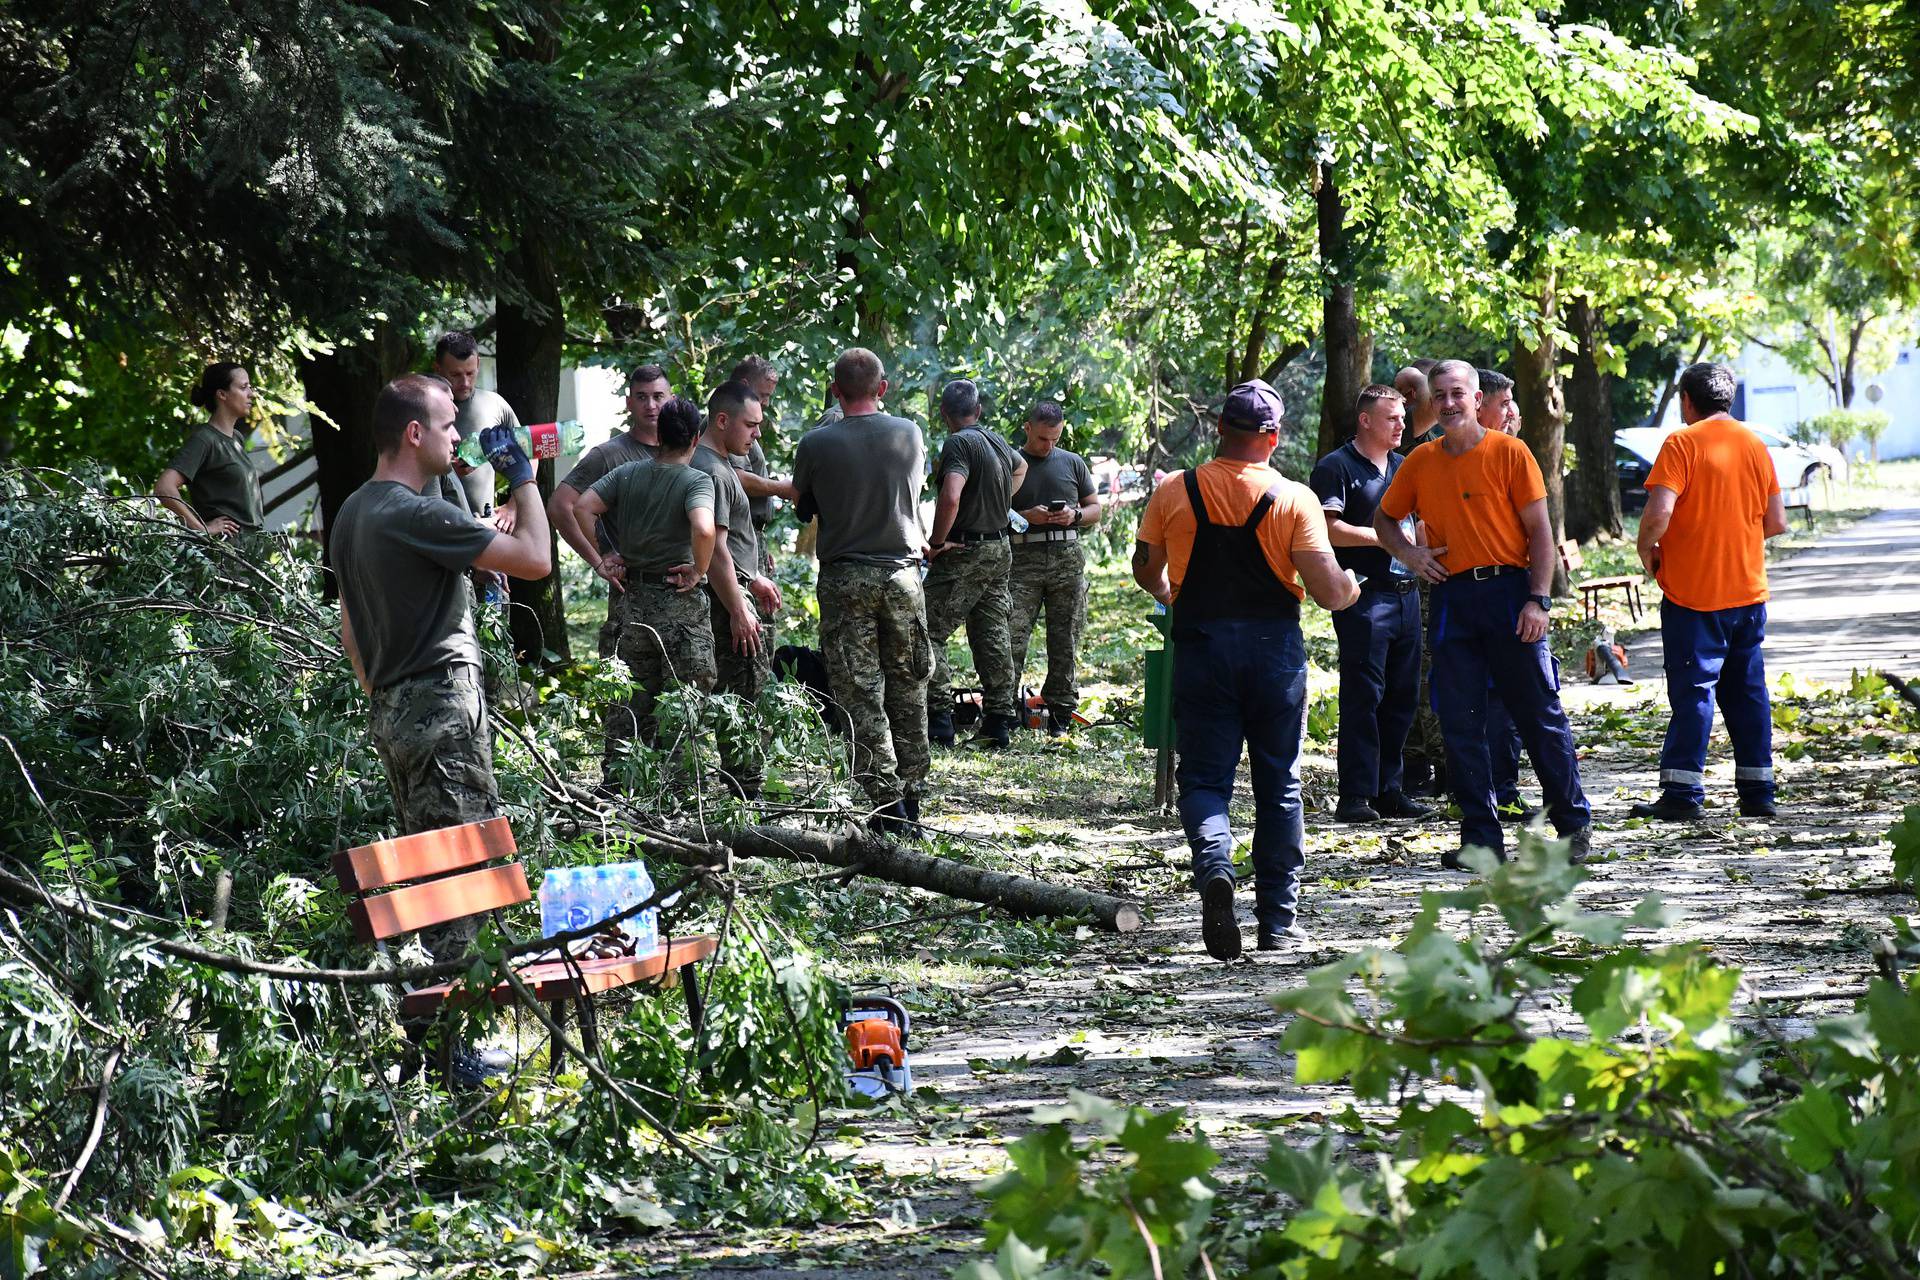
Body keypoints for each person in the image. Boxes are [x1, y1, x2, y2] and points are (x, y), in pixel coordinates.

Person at [331, 373, 552, 1088]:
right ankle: (450, 1055)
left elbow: (348, 623)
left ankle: (430, 1041)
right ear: (414, 434)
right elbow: (538, 560)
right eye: (449, 425)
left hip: (395, 708)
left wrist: (378, 689)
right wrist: (522, 477)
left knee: (429, 874)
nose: (461, 437)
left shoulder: (357, 511)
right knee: (459, 877)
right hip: (441, 705)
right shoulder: (410, 510)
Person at [1133, 379, 1360, 961]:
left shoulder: (1174, 490)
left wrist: (1171, 593)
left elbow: (1145, 569)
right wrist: (1353, 587)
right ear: (1274, 437)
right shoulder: (1294, 498)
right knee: (1279, 782)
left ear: (1218, 430)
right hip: (1273, 653)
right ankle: (1277, 922)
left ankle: (1215, 866)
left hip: (1203, 647)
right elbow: (1330, 592)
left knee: (1206, 780)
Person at [1373, 359, 1592, 869]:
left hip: (1511, 595)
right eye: (1440, 396)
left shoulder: (1510, 453)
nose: (1449, 404)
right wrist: (1409, 555)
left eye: (1457, 394)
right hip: (1454, 600)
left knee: (1538, 715)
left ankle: (1574, 826)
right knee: (1459, 721)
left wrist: (1538, 599)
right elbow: (1384, 518)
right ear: (1432, 403)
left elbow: (1541, 533)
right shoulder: (1420, 463)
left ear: (1474, 398)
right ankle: (1481, 840)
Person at [1632, 362, 1788, 820]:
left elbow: (1660, 512)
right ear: (1729, 398)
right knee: (1748, 693)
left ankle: (1682, 796)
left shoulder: (1681, 442)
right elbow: (1776, 521)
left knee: (1694, 692)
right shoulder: (1755, 444)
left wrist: (1648, 549)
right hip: (1747, 593)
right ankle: (1758, 793)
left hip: (1694, 597)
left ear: (1686, 400)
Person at [792, 348, 932, 831]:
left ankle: (885, 802)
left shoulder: (815, 443)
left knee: (859, 690)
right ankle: (913, 794)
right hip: (903, 575)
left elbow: (802, 506)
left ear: (835, 391)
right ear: (883, 388)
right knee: (909, 683)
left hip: (845, 577)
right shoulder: (910, 433)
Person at [572, 396, 719, 763]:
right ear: (696, 439)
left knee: (626, 702)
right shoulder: (696, 481)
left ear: (660, 434)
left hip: (630, 604)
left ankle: (620, 786)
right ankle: (680, 795)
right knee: (683, 703)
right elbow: (703, 528)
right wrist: (700, 570)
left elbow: (581, 506)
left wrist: (605, 554)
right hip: (679, 606)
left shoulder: (628, 473)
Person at [1309, 386, 1429, 823]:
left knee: (1403, 696)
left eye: (1402, 417)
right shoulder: (1336, 467)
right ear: (1365, 420)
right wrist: (1387, 537)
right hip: (1363, 596)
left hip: (1407, 595)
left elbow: (1419, 524)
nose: (1401, 425)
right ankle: (1355, 795)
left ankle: (1389, 789)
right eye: (1392, 418)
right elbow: (1329, 529)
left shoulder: (1404, 466)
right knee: (1364, 696)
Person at [924, 378, 1027, 749]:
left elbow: (951, 496)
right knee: (991, 629)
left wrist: (936, 543)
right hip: (1000, 547)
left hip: (968, 549)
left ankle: (938, 719)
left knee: (927, 627)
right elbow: (1021, 469)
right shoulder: (995, 440)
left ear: (943, 414)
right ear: (978, 410)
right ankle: (998, 721)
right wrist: (995, 500)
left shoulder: (958, 443)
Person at [695, 380, 783, 796]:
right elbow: (715, 550)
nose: (757, 433)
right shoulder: (712, 469)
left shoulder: (718, 463)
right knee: (744, 697)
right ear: (722, 420)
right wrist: (738, 609)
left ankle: (743, 788)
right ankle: (745, 797)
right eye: (751, 424)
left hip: (738, 589)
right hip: (725, 604)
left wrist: (755, 577)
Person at [550, 364, 673, 659]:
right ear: (629, 402)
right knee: (629, 695)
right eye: (641, 397)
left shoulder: (686, 449)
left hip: (683, 598)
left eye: (658, 396)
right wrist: (600, 557)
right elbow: (559, 506)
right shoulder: (609, 455)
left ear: (672, 399)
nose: (651, 405)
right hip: (632, 597)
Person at [1008, 400, 1101, 736]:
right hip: (1021, 561)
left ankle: (1061, 711)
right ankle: (1004, 709)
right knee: (1011, 637)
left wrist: (1073, 515)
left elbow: (1095, 509)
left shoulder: (1072, 463)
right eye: (1043, 439)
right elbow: (991, 509)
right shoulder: (1011, 463)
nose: (1049, 446)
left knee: (1066, 637)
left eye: (1055, 439)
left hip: (1066, 558)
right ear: (1028, 428)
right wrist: (1024, 516)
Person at [1477, 367, 1533, 821]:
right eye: (1504, 404)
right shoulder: (1454, 456)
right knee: (1488, 698)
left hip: (1518, 591)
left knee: (1515, 699)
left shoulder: (1515, 454)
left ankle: (1505, 785)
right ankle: (1487, 790)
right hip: (1476, 596)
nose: (1513, 411)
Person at [154, 363, 263, 536]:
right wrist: (201, 529)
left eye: (250, 387)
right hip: (224, 553)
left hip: (249, 552)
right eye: (243, 387)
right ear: (222, 394)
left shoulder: (236, 438)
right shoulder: (204, 439)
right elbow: (164, 488)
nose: (251, 394)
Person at [431, 332, 519, 532]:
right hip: (440, 531)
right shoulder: (422, 408)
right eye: (455, 374)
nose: (465, 382)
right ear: (437, 368)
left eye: (470, 373)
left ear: (478, 363)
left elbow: (529, 452)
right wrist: (449, 468)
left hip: (486, 529)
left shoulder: (494, 405)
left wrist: (513, 506)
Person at [727, 356, 800, 578]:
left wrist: (759, 541)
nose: (767, 402)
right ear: (745, 386)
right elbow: (736, 478)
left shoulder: (745, 426)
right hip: (735, 538)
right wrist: (781, 488)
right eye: (764, 395)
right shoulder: (731, 425)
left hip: (749, 535)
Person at [1395, 359, 1442, 448]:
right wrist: (1412, 375)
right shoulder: (1396, 422)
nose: (1447, 401)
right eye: (1438, 390)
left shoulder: (1431, 438)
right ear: (1415, 392)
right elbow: (1436, 406)